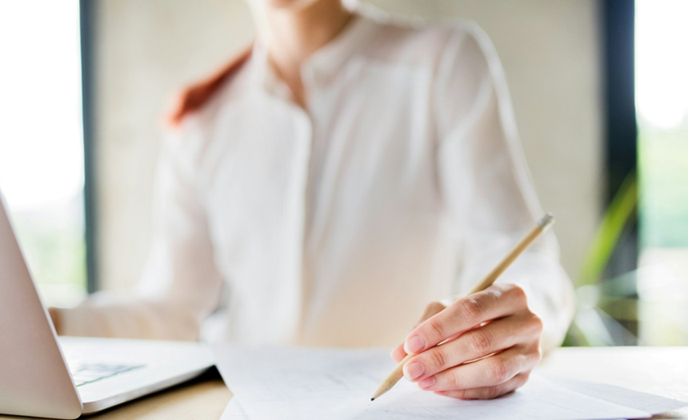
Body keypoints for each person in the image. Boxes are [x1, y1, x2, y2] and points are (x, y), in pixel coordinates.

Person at [50, 0, 575, 400]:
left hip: (397, 401)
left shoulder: (443, 64)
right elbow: (171, 308)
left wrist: (520, 323)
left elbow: (524, 259)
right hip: (241, 405)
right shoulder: (200, 122)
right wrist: (48, 323)